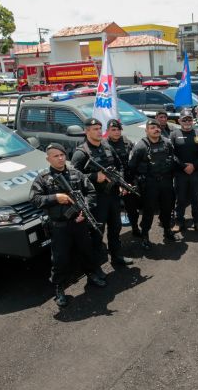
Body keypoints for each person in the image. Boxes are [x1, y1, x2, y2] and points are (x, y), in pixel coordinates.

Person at [29, 144, 107, 307]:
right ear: (48, 158)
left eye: (62, 155)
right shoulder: (43, 178)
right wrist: (55, 198)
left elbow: (91, 193)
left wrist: (84, 211)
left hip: (79, 223)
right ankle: (59, 287)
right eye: (55, 156)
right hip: (59, 226)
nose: (60, 158)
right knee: (60, 258)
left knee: (87, 251)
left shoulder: (76, 173)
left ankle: (92, 274)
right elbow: (35, 200)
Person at [70, 118, 133, 266]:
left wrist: (121, 183)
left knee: (115, 228)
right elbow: (73, 177)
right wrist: (93, 176)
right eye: (95, 129)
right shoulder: (81, 153)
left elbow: (119, 167)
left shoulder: (106, 147)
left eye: (100, 128)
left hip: (113, 196)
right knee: (97, 233)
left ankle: (117, 256)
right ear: (87, 131)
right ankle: (96, 267)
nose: (99, 131)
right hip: (96, 200)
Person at [129, 118, 179, 250]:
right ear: (146, 131)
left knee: (168, 208)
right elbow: (132, 167)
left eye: (157, 127)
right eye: (152, 127)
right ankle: (145, 235)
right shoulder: (140, 146)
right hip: (149, 185)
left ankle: (167, 230)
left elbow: (173, 159)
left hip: (166, 182)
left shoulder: (167, 143)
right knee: (149, 212)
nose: (156, 129)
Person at [170, 108, 198, 232]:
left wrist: (194, 166)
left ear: (193, 120)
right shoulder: (174, 134)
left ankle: (197, 221)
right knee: (180, 199)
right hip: (180, 172)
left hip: (195, 172)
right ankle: (178, 222)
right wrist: (183, 166)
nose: (187, 122)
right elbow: (171, 154)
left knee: (196, 198)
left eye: (189, 119)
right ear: (179, 120)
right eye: (184, 119)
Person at [106, 119, 140, 237]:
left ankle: (135, 228)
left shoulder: (127, 142)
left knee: (132, 208)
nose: (116, 132)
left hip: (128, 181)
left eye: (118, 129)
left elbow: (133, 160)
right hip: (113, 182)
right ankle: (115, 237)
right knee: (114, 213)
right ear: (108, 131)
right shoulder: (104, 145)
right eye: (113, 130)